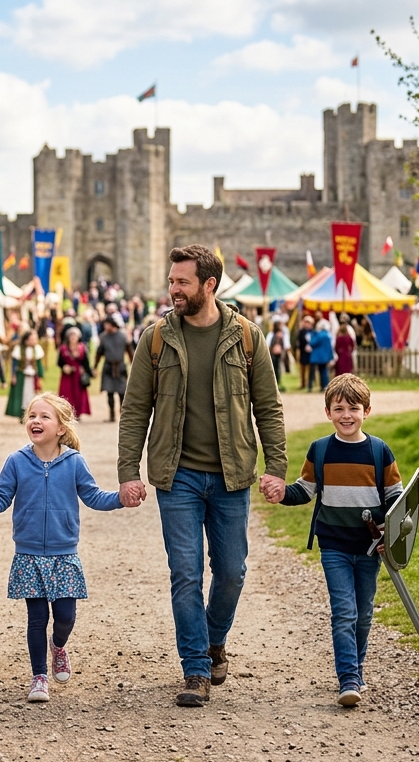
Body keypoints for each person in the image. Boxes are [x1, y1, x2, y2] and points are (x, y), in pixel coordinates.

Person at [117, 244, 288, 707]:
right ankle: (195, 669)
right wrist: (128, 471)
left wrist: (276, 467)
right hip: (178, 477)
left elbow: (268, 408)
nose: (173, 289)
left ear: (209, 285)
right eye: (171, 281)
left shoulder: (248, 338)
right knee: (186, 574)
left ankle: (215, 642)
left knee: (231, 572)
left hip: (232, 476)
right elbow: (135, 410)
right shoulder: (155, 339)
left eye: (182, 282)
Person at [0, 393, 122, 703]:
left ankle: (58, 646)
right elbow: (2, 497)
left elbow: (94, 497)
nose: (36, 421)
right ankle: (39, 677)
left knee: (66, 616)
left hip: (64, 553)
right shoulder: (17, 461)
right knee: (37, 617)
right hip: (28, 554)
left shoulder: (74, 462)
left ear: (60, 428)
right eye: (32, 416)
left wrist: (121, 498)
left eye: (44, 417)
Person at [277, 374, 402, 707]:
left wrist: (389, 536)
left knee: (363, 613)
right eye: (339, 408)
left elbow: (396, 498)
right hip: (333, 545)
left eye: (354, 408)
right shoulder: (321, 450)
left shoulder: (379, 451)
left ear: (367, 411)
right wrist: (279, 493)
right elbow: (304, 491)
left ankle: (356, 670)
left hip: (370, 547)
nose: (347, 415)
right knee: (344, 612)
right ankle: (348, 678)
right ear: (328, 412)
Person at [94, 316, 131, 422]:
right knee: (109, 392)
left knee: (122, 393)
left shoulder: (122, 336)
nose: (105, 327)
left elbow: (129, 351)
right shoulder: (104, 337)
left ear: (112, 325)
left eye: (107, 324)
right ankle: (112, 415)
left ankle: (123, 415)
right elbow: (99, 353)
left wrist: (133, 362)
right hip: (108, 367)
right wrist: (95, 367)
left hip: (120, 367)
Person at [5, 330, 44, 420]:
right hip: (21, 375)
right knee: (22, 395)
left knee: (32, 395)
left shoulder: (37, 349)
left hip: (32, 376)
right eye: (31, 339)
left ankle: (32, 413)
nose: (33, 341)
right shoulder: (19, 348)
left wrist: (40, 376)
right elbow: (14, 364)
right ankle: (21, 414)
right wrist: (13, 376)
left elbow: (39, 364)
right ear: (26, 340)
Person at [57, 327, 92, 419]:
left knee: (78, 394)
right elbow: (59, 362)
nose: (73, 337)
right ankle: (66, 413)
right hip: (67, 375)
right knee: (66, 393)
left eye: (75, 335)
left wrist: (87, 371)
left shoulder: (82, 348)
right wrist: (64, 367)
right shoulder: (63, 348)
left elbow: (86, 362)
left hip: (77, 376)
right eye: (71, 335)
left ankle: (78, 413)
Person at [266, 320, 291, 391]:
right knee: (274, 369)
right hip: (273, 354)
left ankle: (277, 383)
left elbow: (286, 345)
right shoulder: (271, 334)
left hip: (280, 354)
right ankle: (274, 384)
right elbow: (268, 344)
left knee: (278, 369)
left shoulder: (281, 334)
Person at [310, 320, 335, 391]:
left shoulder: (319, 334)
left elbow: (312, 343)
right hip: (325, 357)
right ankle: (324, 385)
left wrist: (313, 334)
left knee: (317, 372)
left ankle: (316, 386)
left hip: (318, 357)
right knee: (324, 371)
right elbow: (330, 347)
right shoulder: (328, 335)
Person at [295, 315, 315, 392]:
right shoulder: (301, 332)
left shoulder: (313, 332)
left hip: (311, 353)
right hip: (303, 352)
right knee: (302, 369)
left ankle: (310, 383)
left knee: (311, 369)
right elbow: (299, 341)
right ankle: (303, 383)